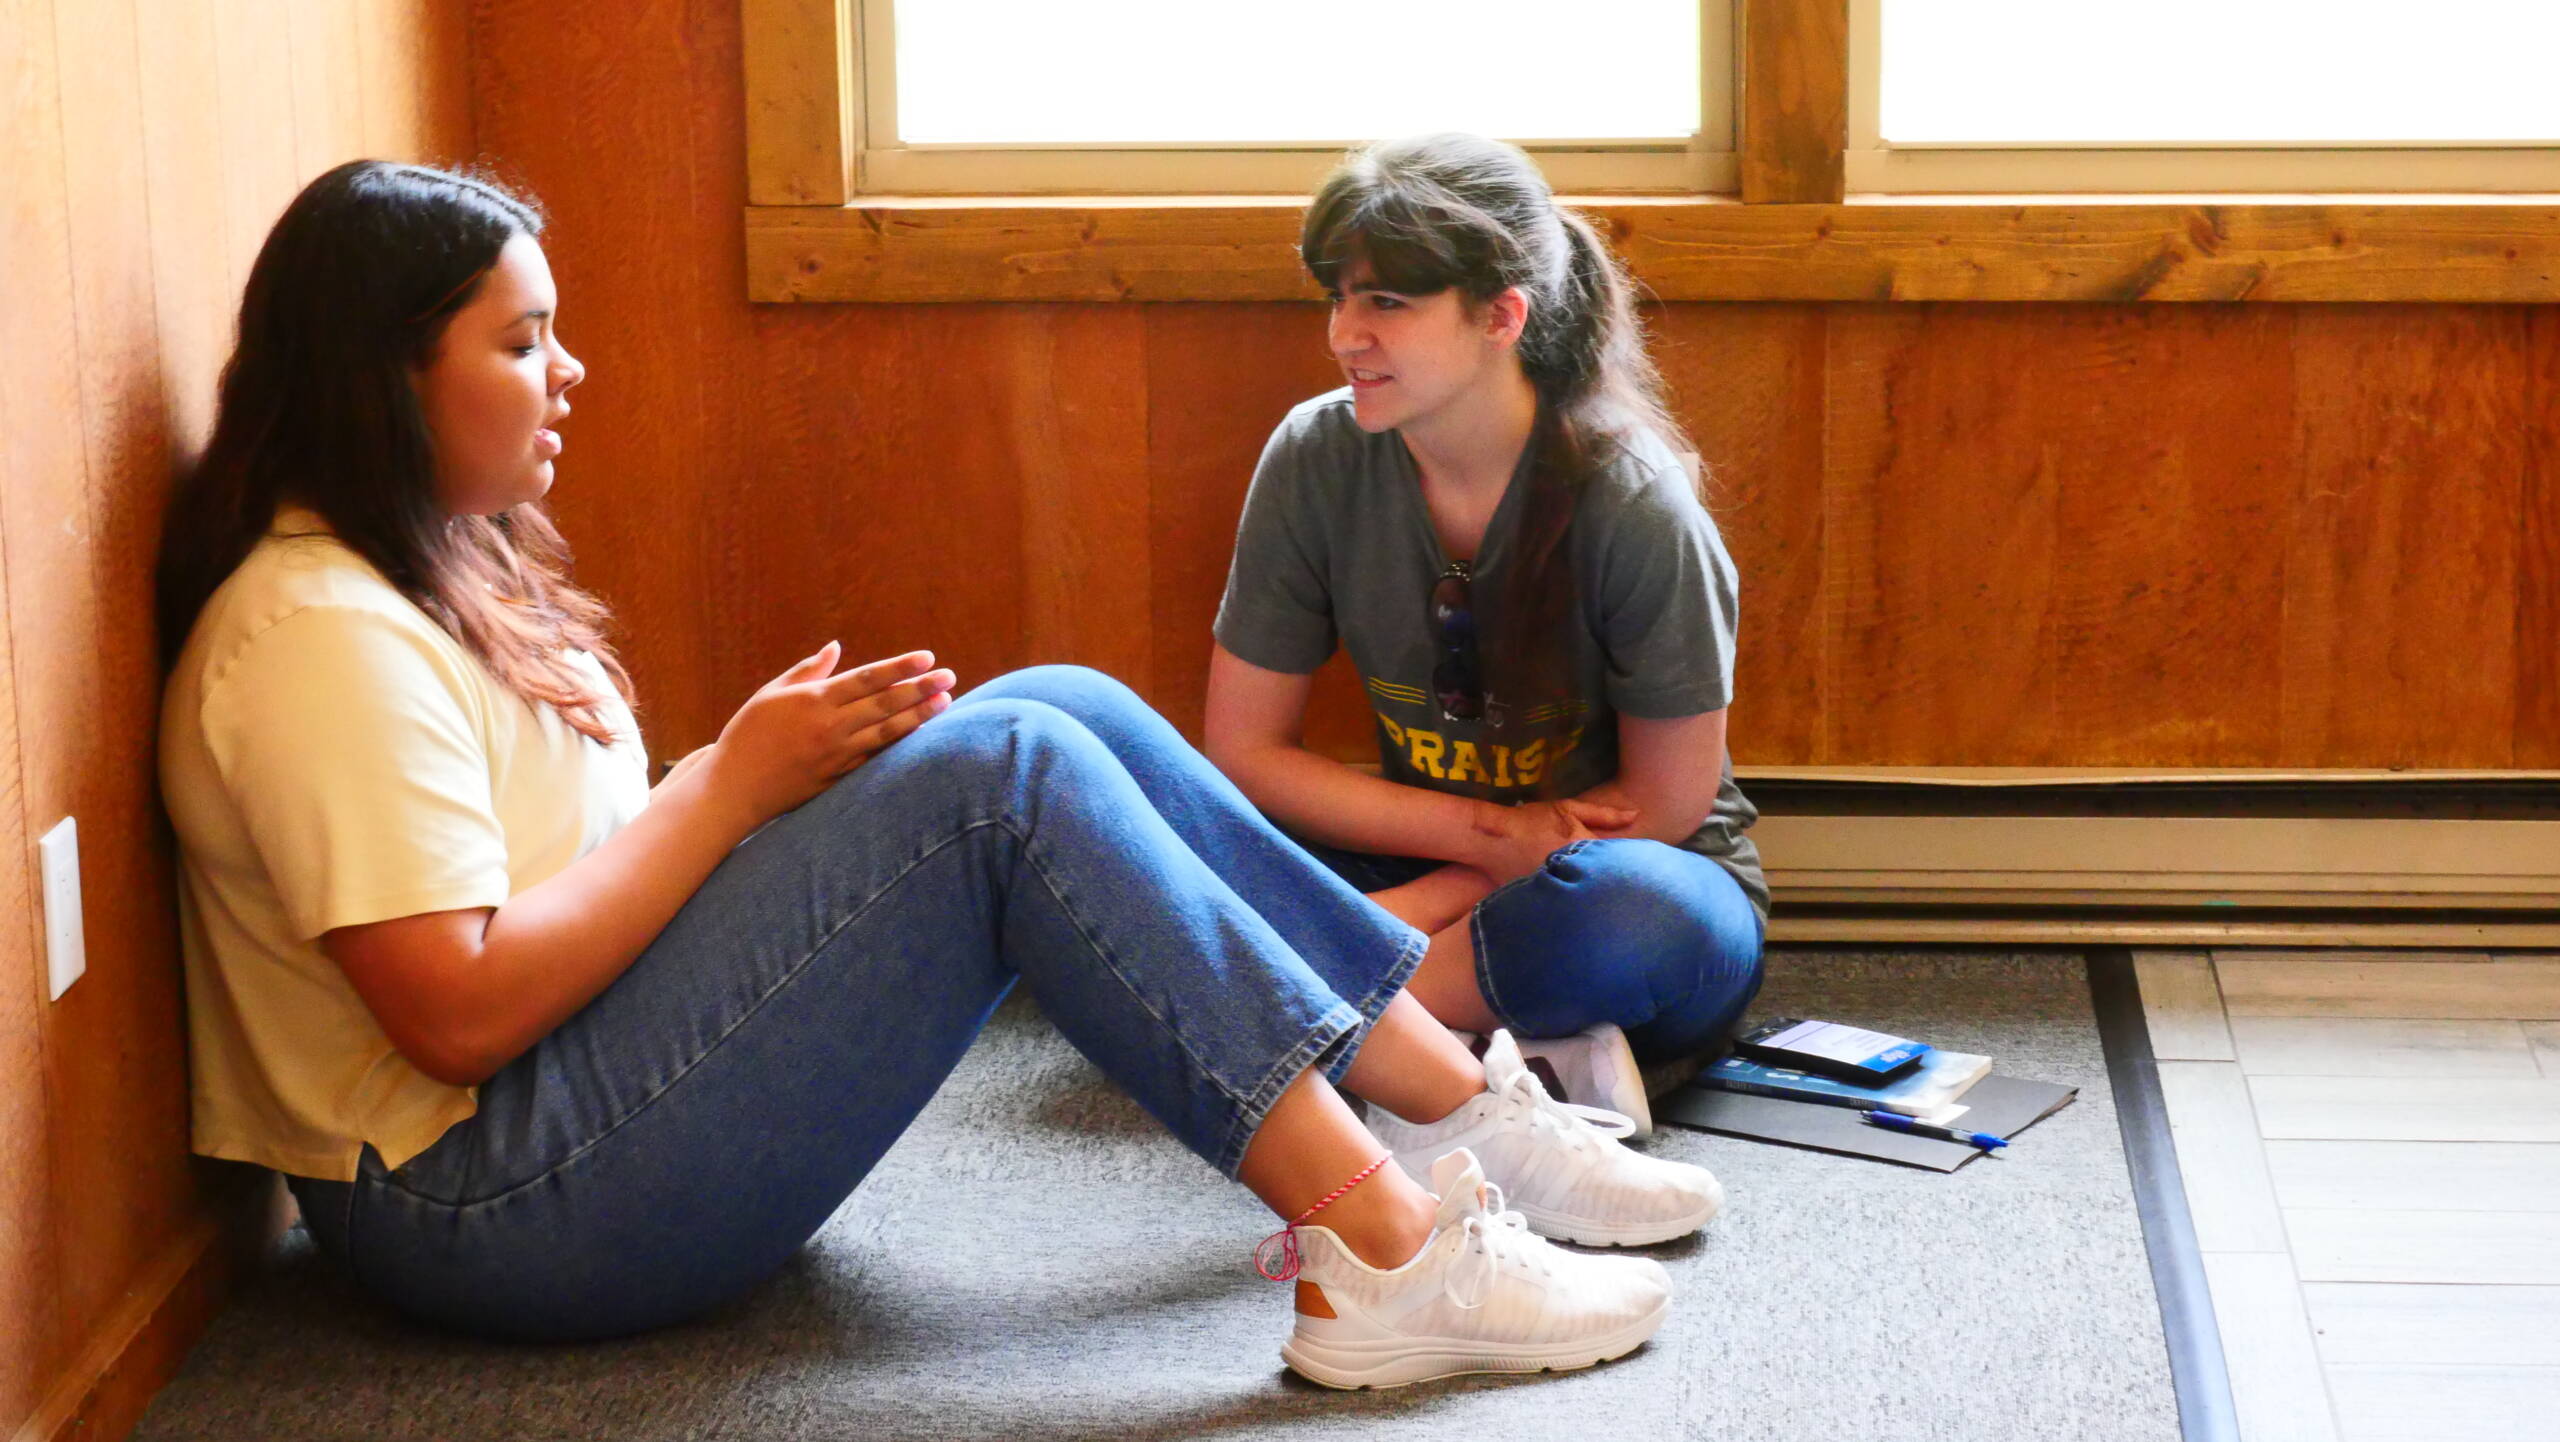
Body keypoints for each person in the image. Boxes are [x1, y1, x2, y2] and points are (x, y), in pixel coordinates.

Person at [151, 159, 1720, 1390]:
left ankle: (1448, 1111)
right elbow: (455, 1008)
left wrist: (752, 776)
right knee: (1005, 779)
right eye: (521, 338)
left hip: (567, 1111)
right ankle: (1387, 1252)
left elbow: (545, 878)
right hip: (490, 1209)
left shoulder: (410, 578)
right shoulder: (312, 637)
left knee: (1057, 704)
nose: (568, 370)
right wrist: (729, 790)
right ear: (386, 373)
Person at [1204, 134, 1769, 1139]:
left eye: (1386, 302)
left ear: (1501, 315)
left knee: (1631, 912)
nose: (1344, 334)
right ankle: (1460, 1034)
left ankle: (1302, 1002)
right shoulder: (1313, 454)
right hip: (1419, 857)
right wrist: (1476, 848)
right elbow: (1245, 753)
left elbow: (1668, 803)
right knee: (1146, 806)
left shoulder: (1635, 501)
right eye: (1337, 296)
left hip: (1614, 879)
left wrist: (1464, 882)